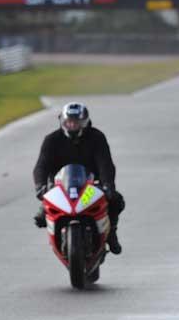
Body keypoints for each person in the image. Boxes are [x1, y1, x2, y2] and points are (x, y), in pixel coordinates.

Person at [33, 102, 125, 255]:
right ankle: (55, 233)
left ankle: (111, 234)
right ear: (62, 121)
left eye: (76, 122)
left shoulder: (97, 137)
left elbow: (106, 164)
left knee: (116, 201)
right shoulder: (51, 140)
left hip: (90, 187)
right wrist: (40, 186)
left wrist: (108, 185)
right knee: (40, 217)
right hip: (60, 188)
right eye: (68, 122)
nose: (72, 125)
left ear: (84, 122)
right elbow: (41, 166)